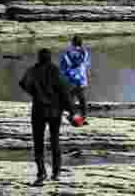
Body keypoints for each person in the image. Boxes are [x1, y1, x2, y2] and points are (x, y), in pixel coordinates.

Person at [19, 48, 76, 186]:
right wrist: (71, 111)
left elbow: (23, 83)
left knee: (38, 142)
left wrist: (34, 93)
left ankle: (41, 173)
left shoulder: (33, 70)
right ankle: (56, 172)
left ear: (39, 58)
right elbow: (65, 91)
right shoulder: (56, 71)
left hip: (38, 110)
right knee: (55, 140)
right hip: (55, 111)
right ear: (50, 58)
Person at [59, 35, 91, 119]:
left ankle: (72, 115)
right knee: (82, 98)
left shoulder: (67, 54)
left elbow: (63, 68)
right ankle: (84, 116)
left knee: (69, 98)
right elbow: (87, 65)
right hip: (82, 80)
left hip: (71, 80)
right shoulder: (85, 53)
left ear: (72, 43)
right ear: (81, 43)